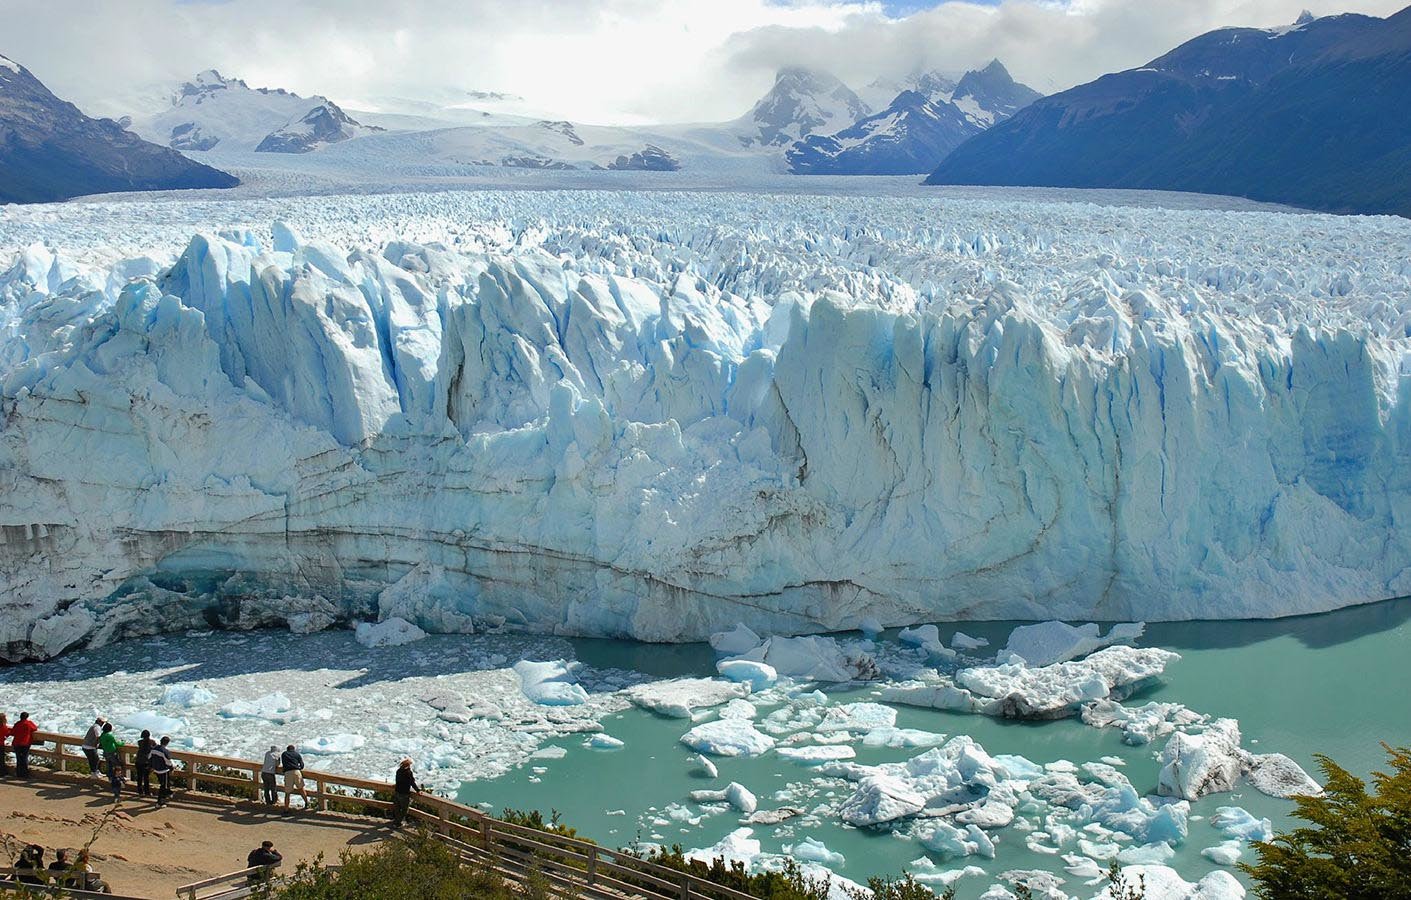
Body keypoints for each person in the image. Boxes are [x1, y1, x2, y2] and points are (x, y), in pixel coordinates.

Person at [390, 758, 421, 829]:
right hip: (404, 794)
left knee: (397, 808)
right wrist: (418, 790)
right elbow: (412, 782)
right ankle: (397, 823)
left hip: (397, 792)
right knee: (404, 810)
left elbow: (397, 780)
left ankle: (396, 821)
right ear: (407, 765)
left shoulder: (398, 771)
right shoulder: (408, 772)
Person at [11, 712, 38, 779]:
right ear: (27, 717)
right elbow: (35, 728)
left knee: (19, 758)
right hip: (25, 743)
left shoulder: (17, 724)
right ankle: (25, 774)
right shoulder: (28, 723)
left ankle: (19, 773)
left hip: (17, 743)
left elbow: (13, 732)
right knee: (24, 758)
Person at [280, 745, 307, 811]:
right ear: (294, 749)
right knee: (301, 788)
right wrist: (298, 768)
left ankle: (286, 809)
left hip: (288, 773)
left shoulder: (284, 754)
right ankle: (306, 803)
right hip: (296, 771)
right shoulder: (297, 754)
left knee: (287, 793)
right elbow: (302, 765)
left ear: (287, 749)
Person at [149, 735, 174, 806]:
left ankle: (169, 793)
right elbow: (168, 762)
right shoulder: (165, 751)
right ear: (167, 743)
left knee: (164, 783)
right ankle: (160, 802)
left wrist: (152, 767)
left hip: (156, 770)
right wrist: (172, 768)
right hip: (163, 770)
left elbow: (149, 757)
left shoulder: (153, 749)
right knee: (163, 786)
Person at [134, 730, 155, 798]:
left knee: (139, 777)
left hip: (139, 761)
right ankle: (147, 792)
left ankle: (140, 792)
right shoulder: (152, 742)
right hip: (146, 762)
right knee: (146, 778)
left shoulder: (139, 742)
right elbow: (155, 748)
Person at [0, 712, 10, 777]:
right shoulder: (3, 726)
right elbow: (6, 733)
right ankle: (2, 772)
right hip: (0, 744)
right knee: (1, 759)